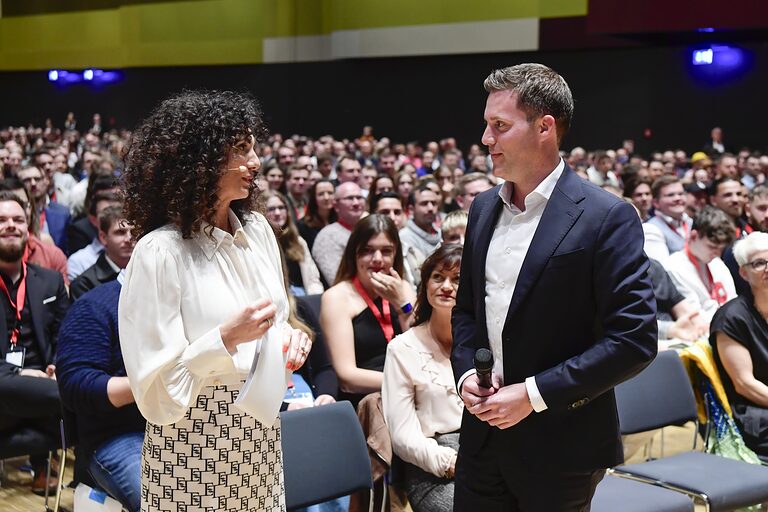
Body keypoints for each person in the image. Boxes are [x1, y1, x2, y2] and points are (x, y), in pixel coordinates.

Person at [451, 64, 657, 511]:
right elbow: (466, 312)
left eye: (499, 126)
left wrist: (531, 395)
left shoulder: (606, 215)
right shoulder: (483, 207)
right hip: (482, 439)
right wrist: (468, 374)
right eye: (487, 125)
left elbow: (634, 340)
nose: (486, 139)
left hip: (561, 444)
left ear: (545, 127)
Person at [118, 90, 311, 512]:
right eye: (241, 150)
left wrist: (290, 339)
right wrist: (223, 340)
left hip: (260, 432)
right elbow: (154, 395)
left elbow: (274, 321)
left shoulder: (258, 230)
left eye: (254, 148)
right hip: (193, 438)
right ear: (199, 161)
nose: (256, 163)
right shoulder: (159, 252)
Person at [382, 244, 464, 512]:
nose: (446, 286)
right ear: (426, 284)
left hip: (486, 455)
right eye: (438, 277)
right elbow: (404, 436)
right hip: (430, 464)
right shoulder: (402, 348)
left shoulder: (483, 341)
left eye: (457, 279)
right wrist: (450, 461)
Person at [0, 191, 70, 494]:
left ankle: (43, 465)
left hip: (43, 374)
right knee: (63, 396)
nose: (11, 225)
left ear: (28, 228)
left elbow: (64, 334)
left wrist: (56, 363)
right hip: (5, 376)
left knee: (65, 384)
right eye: (1, 220)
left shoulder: (50, 280)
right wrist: (19, 375)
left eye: (17, 220)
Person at [56, 277, 145, 512]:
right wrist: (156, 385)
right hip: (119, 435)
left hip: (188, 427)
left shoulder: (187, 301)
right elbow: (76, 385)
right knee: (164, 500)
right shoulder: (95, 306)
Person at [320, 214, 415, 408]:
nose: (377, 259)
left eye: (386, 251)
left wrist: (401, 305)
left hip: (410, 393)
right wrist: (404, 384)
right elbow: (347, 376)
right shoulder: (336, 298)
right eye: (368, 251)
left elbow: (421, 352)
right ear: (354, 254)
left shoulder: (403, 288)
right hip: (368, 399)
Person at [711, 231, 768, 462]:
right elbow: (745, 384)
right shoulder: (732, 317)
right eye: (759, 263)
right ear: (743, 272)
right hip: (756, 416)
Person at [663, 206, 737, 322]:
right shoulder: (673, 267)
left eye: (721, 249)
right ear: (693, 236)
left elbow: (733, 303)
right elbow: (694, 317)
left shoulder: (717, 263)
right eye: (712, 247)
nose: (717, 253)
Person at [263, 190, 323, 296]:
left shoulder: (298, 241)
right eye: (271, 209)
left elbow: (313, 279)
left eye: (281, 208)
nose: (277, 213)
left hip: (304, 298)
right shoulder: (260, 243)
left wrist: (314, 299)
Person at [70, 205, 134, 299]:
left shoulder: (148, 272)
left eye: (134, 232)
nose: (129, 238)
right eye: (120, 232)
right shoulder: (84, 284)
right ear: (103, 237)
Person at [312, 182, 366, 284]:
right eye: (350, 198)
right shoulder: (327, 236)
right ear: (336, 205)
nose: (356, 203)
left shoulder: (368, 231)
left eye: (359, 198)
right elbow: (337, 280)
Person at [296, 179, 336, 252]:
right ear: (314, 198)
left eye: (330, 193)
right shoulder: (303, 225)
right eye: (321, 194)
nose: (326, 197)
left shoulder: (341, 219)